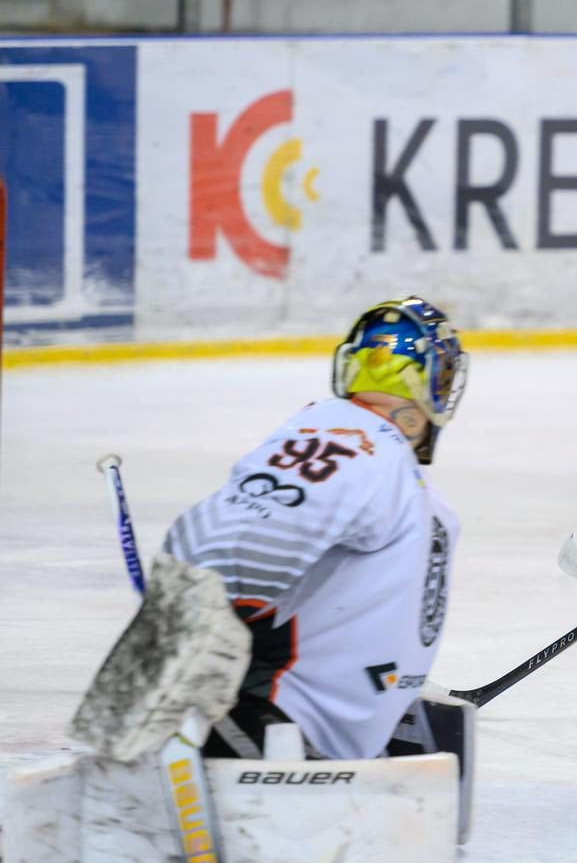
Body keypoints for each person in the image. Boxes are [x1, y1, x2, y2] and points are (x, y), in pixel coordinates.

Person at [161, 296, 469, 761]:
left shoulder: (383, 461)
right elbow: (216, 551)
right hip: (274, 733)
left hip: (318, 738)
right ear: (431, 382)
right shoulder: (354, 441)